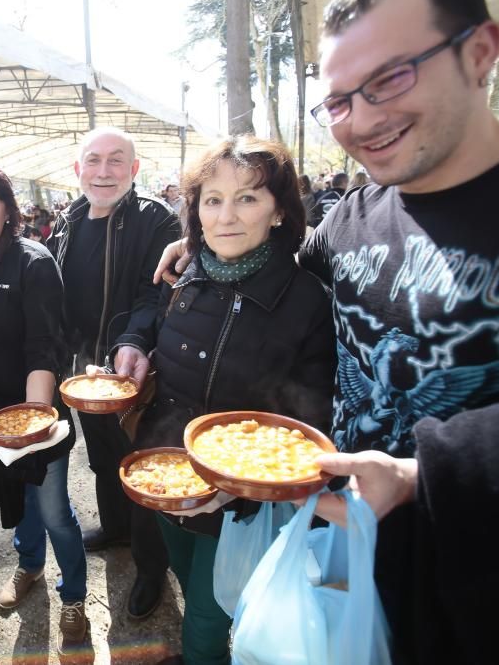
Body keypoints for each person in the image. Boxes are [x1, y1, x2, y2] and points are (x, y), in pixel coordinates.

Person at [157, 0, 499, 661]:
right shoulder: (353, 218)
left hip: (489, 591)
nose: (360, 119)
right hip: (340, 556)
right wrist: (198, 252)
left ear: (479, 52)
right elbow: (266, 281)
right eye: (336, 101)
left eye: (391, 77)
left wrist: (420, 477)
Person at [133, 136, 335, 665]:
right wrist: (130, 345)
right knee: (182, 570)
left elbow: (313, 410)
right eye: (212, 199)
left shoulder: (306, 298)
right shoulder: (185, 273)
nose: (227, 216)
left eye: (247, 198)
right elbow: (149, 323)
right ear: (196, 211)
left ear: (277, 211)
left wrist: (247, 479)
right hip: (168, 475)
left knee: (206, 619)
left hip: (241, 502)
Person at [0, 162, 89, 655]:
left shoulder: (32, 261)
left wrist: (29, 427)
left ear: (8, 209)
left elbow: (45, 347)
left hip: (34, 414)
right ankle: (29, 566)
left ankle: (73, 598)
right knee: (18, 499)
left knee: (53, 509)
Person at [46, 126, 179, 619]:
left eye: (116, 160)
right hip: (84, 373)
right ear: (77, 169)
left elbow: (156, 293)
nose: (104, 171)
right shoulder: (68, 221)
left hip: (132, 370)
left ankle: (150, 567)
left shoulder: (154, 219)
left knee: (138, 464)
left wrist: (132, 341)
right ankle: (116, 528)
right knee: (101, 457)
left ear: (134, 169)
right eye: (94, 161)